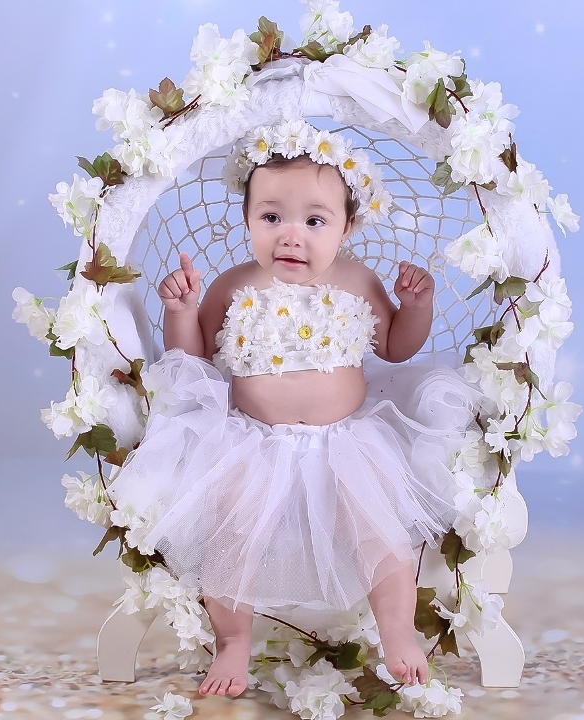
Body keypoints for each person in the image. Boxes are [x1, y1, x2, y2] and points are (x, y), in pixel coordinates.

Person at [105, 120, 480, 698]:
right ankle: (233, 641)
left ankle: (398, 632)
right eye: (271, 217)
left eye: (315, 221)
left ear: (348, 226)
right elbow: (194, 358)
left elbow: (396, 347)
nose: (290, 236)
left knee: (380, 532)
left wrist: (415, 307)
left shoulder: (358, 281)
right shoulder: (233, 285)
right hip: (252, 440)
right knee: (233, 535)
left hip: (347, 440)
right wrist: (181, 311)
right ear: (247, 219)